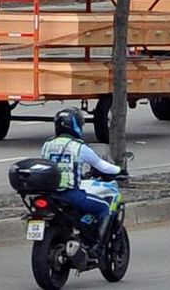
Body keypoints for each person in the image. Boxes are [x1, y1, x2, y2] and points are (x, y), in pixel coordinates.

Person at [40, 107, 124, 257]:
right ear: (75, 125)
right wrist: (119, 170)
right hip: (70, 194)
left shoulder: (47, 145)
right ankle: (97, 247)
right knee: (105, 206)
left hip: (50, 195)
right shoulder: (79, 147)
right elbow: (101, 165)